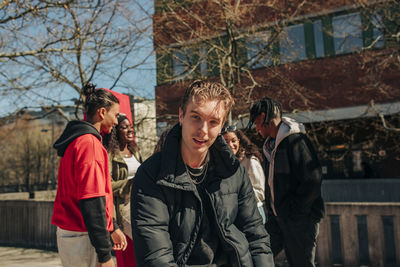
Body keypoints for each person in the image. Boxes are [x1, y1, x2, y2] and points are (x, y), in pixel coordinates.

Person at [131, 80, 274, 267]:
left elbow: (256, 236)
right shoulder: (151, 175)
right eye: (196, 117)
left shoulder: (233, 172)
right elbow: (155, 257)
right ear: (181, 115)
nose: (203, 130)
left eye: (213, 122)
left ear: (222, 124)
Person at [52, 83, 127, 267]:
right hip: (82, 237)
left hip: (76, 235)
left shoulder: (78, 141)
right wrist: (105, 255)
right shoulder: (89, 145)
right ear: (102, 112)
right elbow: (92, 200)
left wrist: (112, 226)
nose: (117, 122)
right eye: (115, 115)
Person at [247, 97, 325, 267]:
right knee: (258, 255)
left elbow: (313, 179)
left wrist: (294, 212)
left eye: (256, 122)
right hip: (278, 219)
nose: (256, 127)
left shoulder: (295, 141)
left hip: (299, 220)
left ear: (263, 116)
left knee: (301, 263)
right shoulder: (270, 147)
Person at [103, 115, 142, 267]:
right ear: (115, 132)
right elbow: (106, 186)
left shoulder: (135, 151)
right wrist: (130, 184)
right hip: (122, 209)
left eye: (130, 126)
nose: (129, 130)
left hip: (140, 205)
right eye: (124, 127)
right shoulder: (109, 155)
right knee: (128, 256)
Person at [221, 126, 267, 224]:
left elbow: (260, 192)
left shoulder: (250, 160)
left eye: (233, 141)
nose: (230, 145)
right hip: (235, 214)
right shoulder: (222, 163)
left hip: (254, 212)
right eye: (226, 141)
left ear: (239, 141)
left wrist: (238, 193)